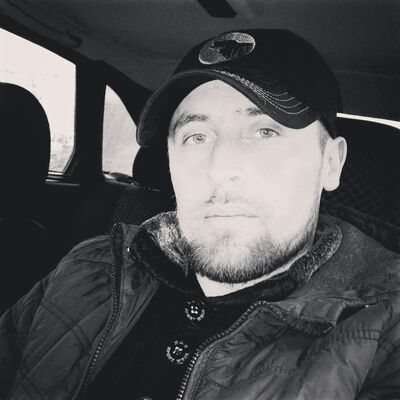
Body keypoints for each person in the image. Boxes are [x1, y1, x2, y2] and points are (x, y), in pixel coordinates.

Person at [1, 29, 400, 400]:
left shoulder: (382, 335)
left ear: (331, 163)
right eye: (196, 137)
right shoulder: (87, 267)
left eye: (265, 132)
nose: (220, 168)